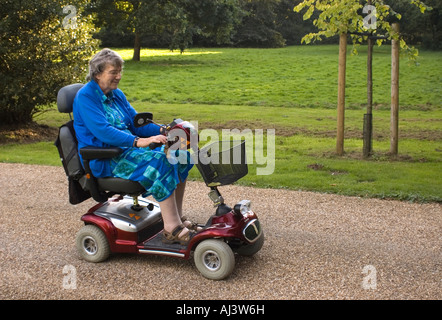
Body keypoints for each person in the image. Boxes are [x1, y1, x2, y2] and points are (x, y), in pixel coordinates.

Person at [73, 48, 199, 245]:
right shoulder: (85, 97)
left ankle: (176, 218)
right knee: (160, 161)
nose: (119, 76)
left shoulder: (116, 94)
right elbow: (103, 131)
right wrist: (138, 142)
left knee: (180, 154)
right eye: (113, 72)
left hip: (127, 151)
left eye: (120, 71)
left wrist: (166, 131)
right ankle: (171, 229)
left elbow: (136, 123)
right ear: (97, 73)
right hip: (105, 158)